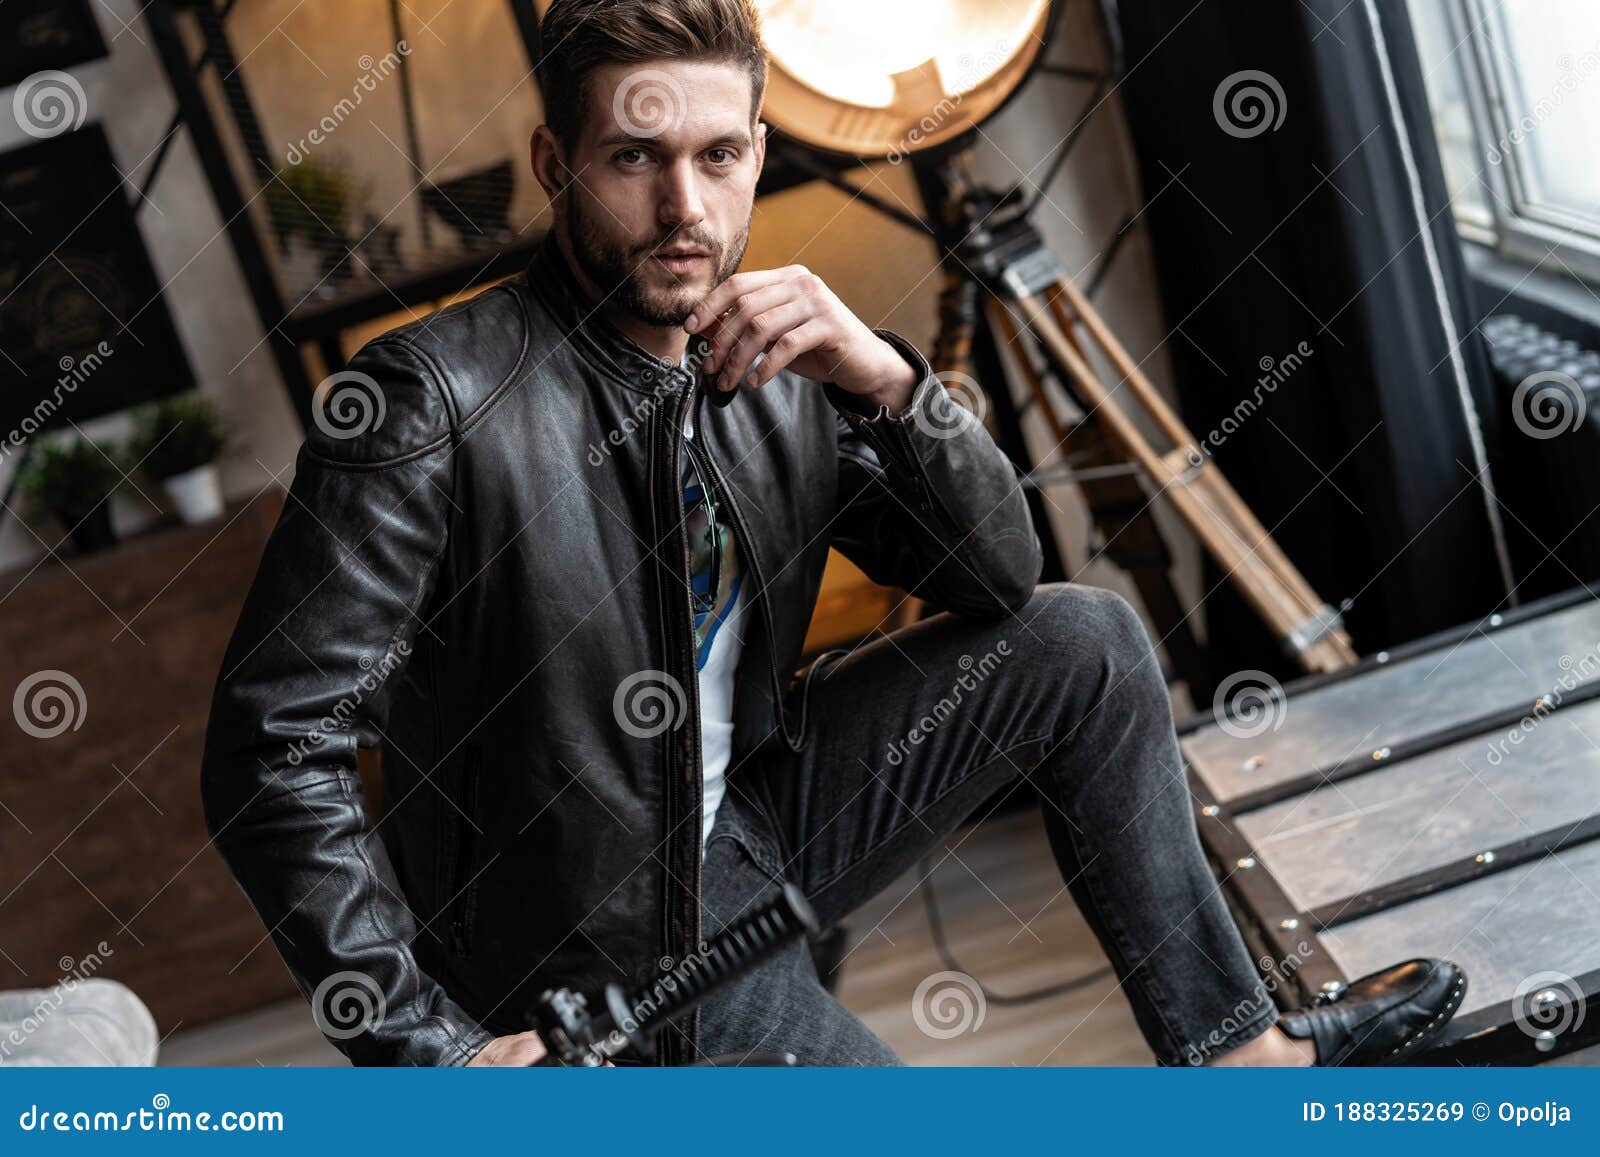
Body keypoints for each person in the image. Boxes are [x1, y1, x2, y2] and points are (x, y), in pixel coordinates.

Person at [200, 0, 1466, 1068]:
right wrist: (433, 1052)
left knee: (1087, 640)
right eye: (634, 159)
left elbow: (997, 576)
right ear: (555, 165)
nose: (681, 207)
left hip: (753, 819)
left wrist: (891, 384)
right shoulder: (434, 399)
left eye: (714, 157)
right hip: (585, 936)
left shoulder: (778, 356)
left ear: (757, 153)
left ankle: (1237, 1059)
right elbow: (273, 745)